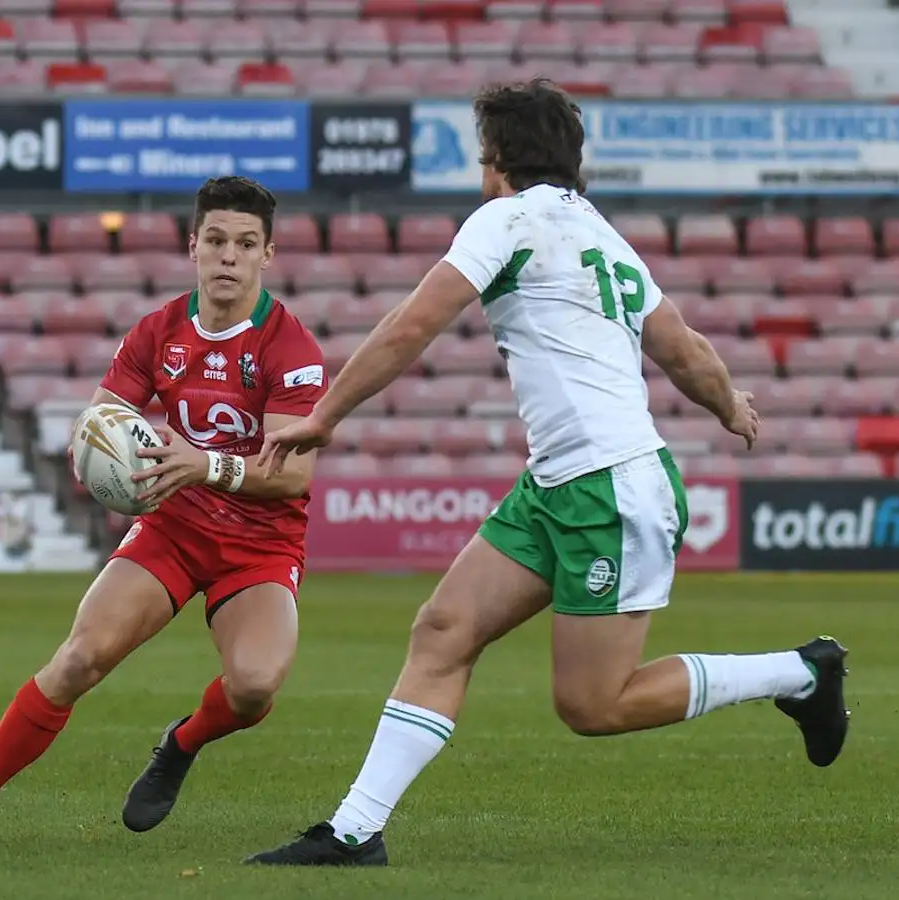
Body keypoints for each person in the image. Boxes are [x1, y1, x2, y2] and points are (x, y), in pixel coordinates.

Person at [245, 80, 850, 868]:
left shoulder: (506, 218)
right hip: (559, 483)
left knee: (593, 705)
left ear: (498, 159)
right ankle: (354, 832)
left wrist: (327, 413)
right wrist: (728, 403)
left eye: (481, 153)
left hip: (609, 486)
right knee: (443, 629)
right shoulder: (601, 234)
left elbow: (415, 323)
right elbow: (682, 346)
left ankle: (800, 673)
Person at [0, 176, 327, 845]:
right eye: (215, 240)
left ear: (267, 255)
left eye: (246, 244)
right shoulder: (157, 331)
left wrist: (205, 463)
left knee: (253, 687)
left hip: (261, 544)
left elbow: (295, 471)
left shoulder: (290, 349)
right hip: (174, 525)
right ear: (193, 246)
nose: (228, 256)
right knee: (79, 658)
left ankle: (180, 744)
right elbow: (104, 411)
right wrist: (95, 443)